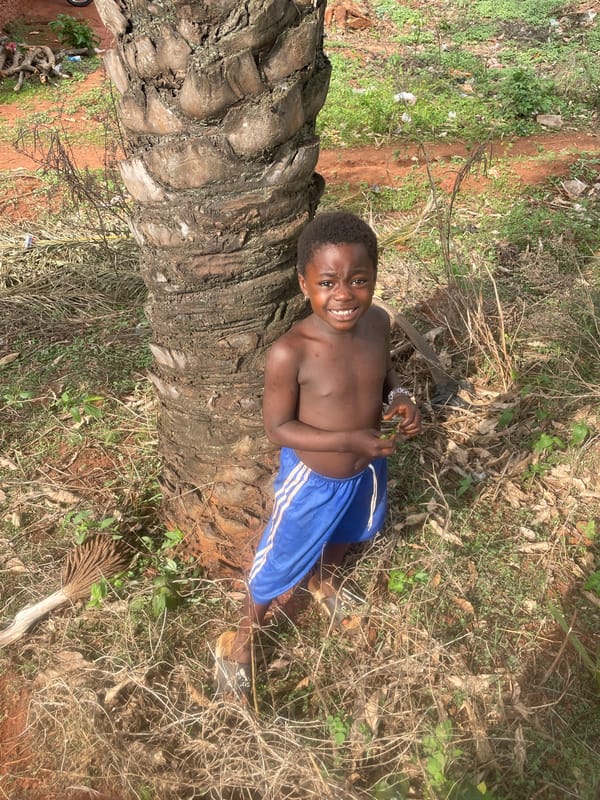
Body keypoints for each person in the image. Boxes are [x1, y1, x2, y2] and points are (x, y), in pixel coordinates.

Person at [214, 211, 421, 703]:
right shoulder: (291, 352)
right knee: (278, 563)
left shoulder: (377, 323)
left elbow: (384, 373)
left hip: (367, 463)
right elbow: (278, 428)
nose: (344, 294)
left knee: (350, 531)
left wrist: (399, 397)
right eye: (327, 282)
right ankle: (238, 642)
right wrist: (350, 440)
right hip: (314, 479)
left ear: (375, 277)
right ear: (303, 282)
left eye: (358, 280)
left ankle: (324, 583)